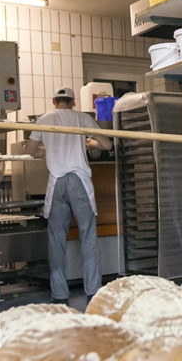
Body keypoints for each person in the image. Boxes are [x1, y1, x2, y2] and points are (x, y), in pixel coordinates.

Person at [25, 87, 113, 303]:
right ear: (73, 101)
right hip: (79, 182)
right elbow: (107, 144)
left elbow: (31, 150)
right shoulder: (83, 118)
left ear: (54, 100)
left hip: (57, 183)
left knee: (56, 241)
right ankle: (92, 292)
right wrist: (87, 143)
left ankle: (59, 295)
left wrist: (50, 148)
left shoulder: (43, 120)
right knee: (88, 238)